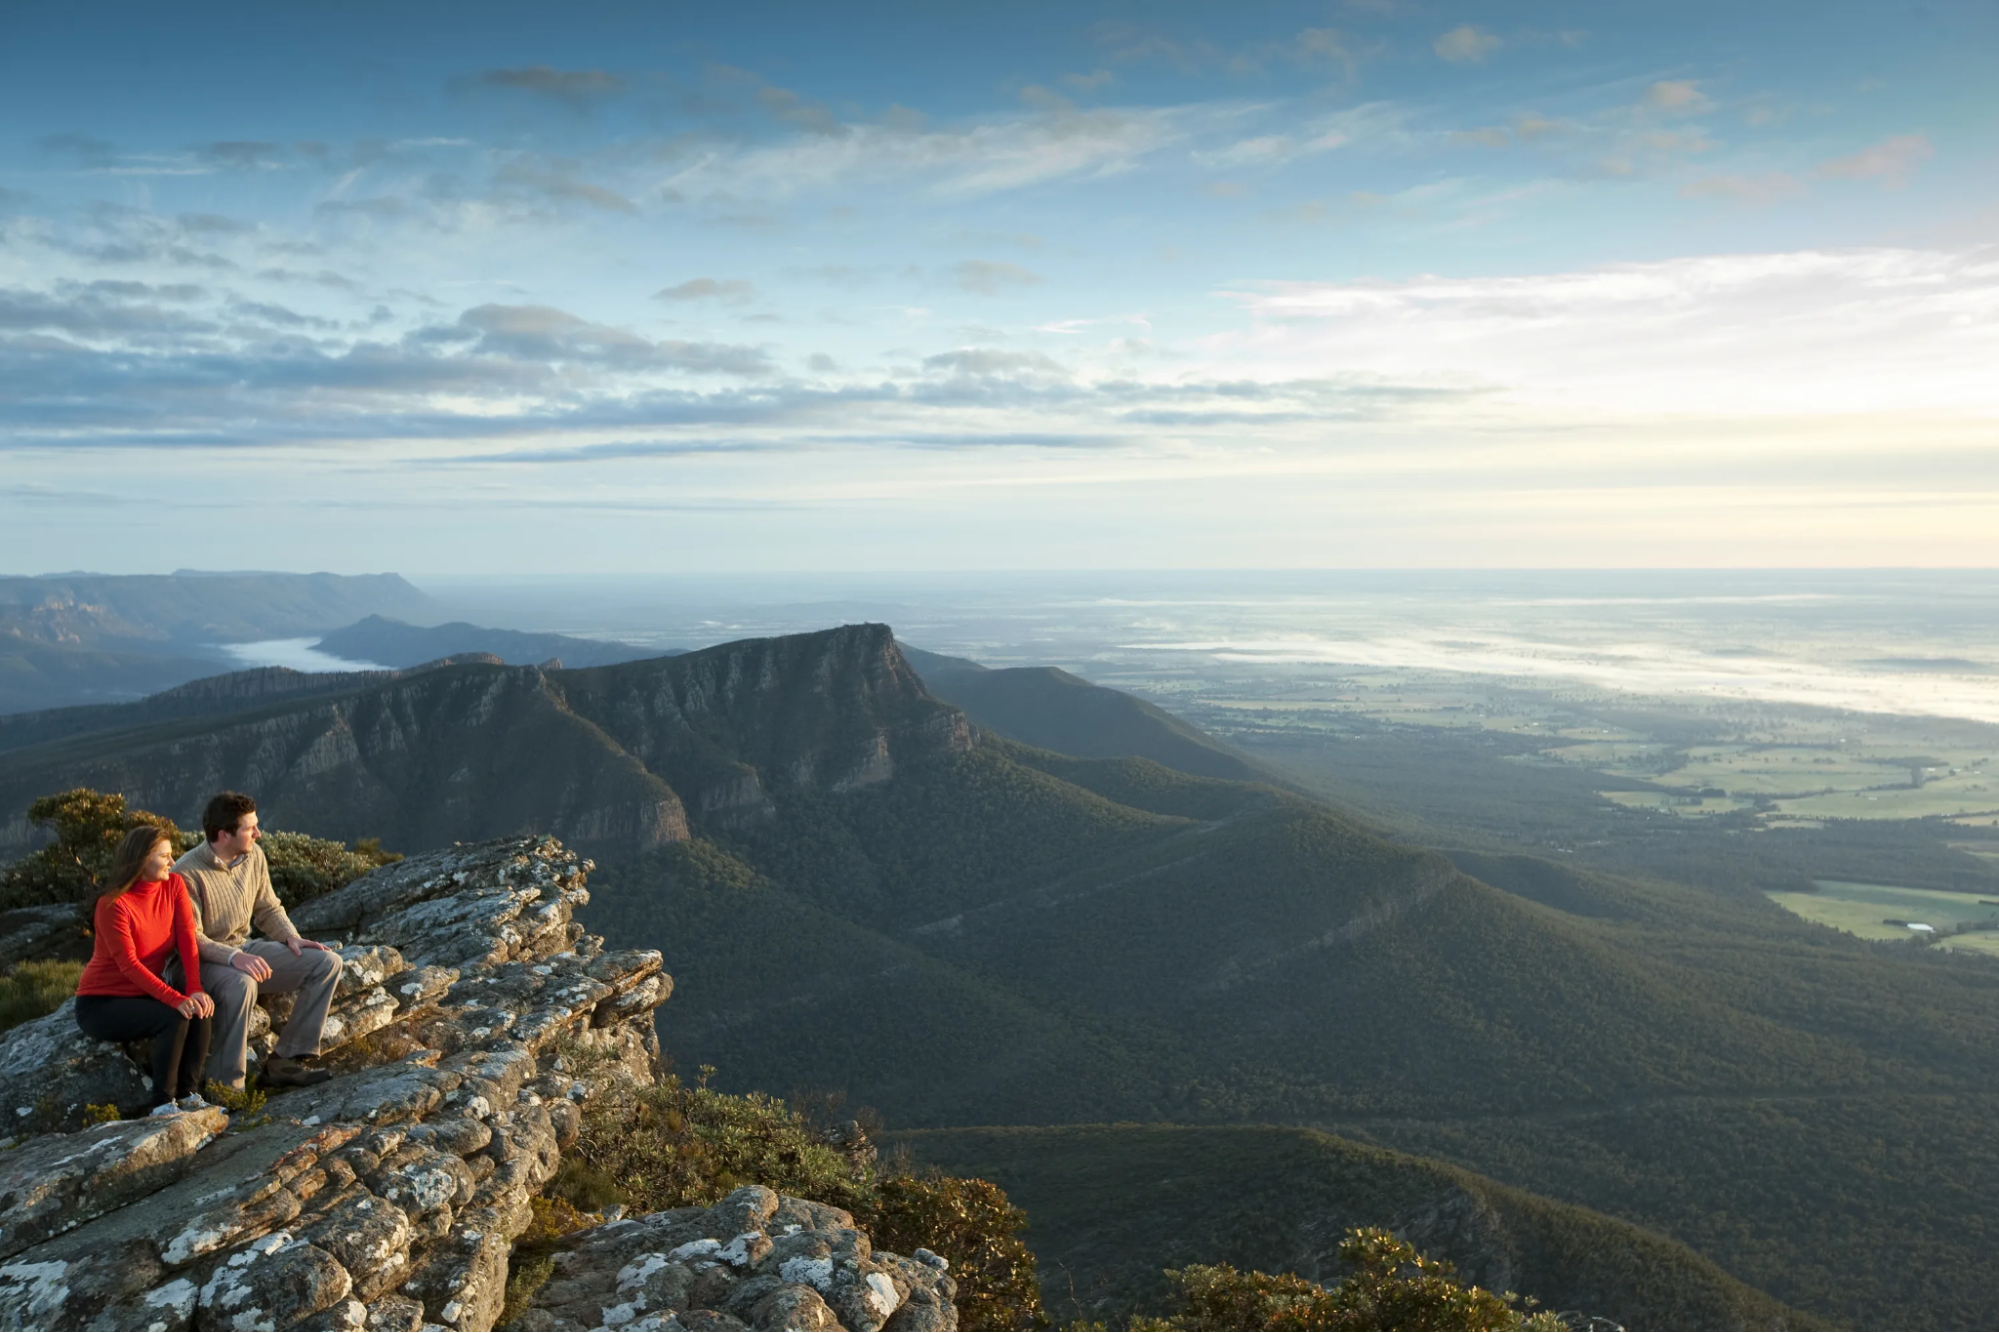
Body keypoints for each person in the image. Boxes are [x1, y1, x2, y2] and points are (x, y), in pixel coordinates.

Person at [170, 792, 339, 1090]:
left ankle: (285, 1062)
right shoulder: (185, 873)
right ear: (224, 835)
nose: (258, 834)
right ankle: (227, 1088)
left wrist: (292, 938)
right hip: (196, 962)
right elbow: (191, 938)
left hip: (242, 950)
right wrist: (235, 959)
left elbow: (268, 906)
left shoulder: (253, 855)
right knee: (241, 983)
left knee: (327, 963)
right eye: (250, 828)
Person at [74, 825, 215, 1114]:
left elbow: (188, 941)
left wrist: (194, 988)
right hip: (102, 1002)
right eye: (165, 856)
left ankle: (190, 1095)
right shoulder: (113, 904)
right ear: (141, 859)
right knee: (175, 1017)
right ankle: (163, 1105)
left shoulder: (174, 885)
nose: (173, 862)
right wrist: (175, 999)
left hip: (143, 993)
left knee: (199, 1008)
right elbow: (129, 965)